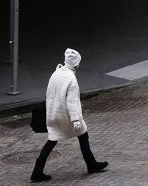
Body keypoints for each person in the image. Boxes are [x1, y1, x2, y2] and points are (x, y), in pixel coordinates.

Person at [31, 48, 107, 182]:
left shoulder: (56, 72)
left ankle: (37, 171)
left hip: (53, 113)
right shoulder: (72, 79)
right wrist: (76, 121)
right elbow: (71, 102)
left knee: (52, 141)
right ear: (77, 64)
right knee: (83, 135)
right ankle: (91, 165)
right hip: (65, 116)